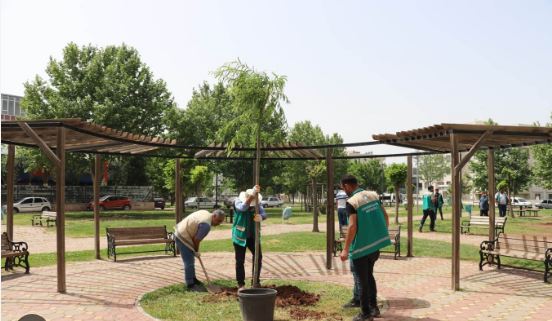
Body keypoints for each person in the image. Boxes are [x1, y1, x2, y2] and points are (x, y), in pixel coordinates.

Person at [339, 175, 390, 321]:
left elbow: (352, 226)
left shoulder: (352, 202)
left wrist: (345, 249)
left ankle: (365, 313)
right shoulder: (373, 195)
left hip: (360, 248)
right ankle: (374, 309)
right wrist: (380, 234)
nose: (344, 190)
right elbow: (385, 216)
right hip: (375, 247)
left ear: (347, 186)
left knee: (362, 280)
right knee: (369, 276)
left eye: (343, 188)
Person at [174, 208, 226, 291]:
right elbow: (196, 240)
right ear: (214, 215)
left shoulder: (205, 212)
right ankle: (190, 284)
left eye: (221, 222)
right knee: (189, 261)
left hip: (181, 231)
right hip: (182, 237)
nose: (219, 224)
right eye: (218, 221)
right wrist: (196, 251)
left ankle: (193, 278)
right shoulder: (206, 226)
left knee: (190, 260)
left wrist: (194, 251)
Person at [233, 185, 267, 290]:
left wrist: (261, 217)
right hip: (240, 236)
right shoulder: (237, 202)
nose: (253, 206)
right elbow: (243, 208)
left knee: (258, 257)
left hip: (253, 236)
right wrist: (252, 195)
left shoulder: (257, 204)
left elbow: (264, 213)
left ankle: (255, 281)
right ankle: (241, 284)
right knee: (240, 261)